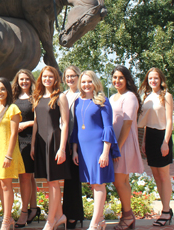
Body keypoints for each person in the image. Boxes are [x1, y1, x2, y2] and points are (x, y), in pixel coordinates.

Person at [71, 71, 120, 230]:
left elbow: (108, 128)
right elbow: (76, 128)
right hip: (83, 150)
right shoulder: (78, 101)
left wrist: (106, 152)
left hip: (98, 147)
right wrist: (75, 150)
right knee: (93, 184)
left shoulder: (102, 101)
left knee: (99, 184)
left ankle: (94, 223)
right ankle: (100, 221)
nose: (86, 85)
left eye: (89, 82)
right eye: (83, 82)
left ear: (95, 83)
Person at [31, 66, 70, 230]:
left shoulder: (60, 97)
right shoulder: (38, 97)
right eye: (45, 76)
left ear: (56, 80)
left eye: (50, 77)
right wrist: (33, 144)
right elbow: (36, 122)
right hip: (41, 142)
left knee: (53, 182)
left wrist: (62, 148)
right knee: (49, 182)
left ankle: (51, 220)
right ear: (41, 78)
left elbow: (66, 123)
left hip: (54, 141)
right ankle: (61, 216)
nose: (47, 79)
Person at [0, 77, 25, 230]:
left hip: (8, 152)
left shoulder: (13, 109)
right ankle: (9, 219)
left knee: (6, 185)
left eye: (2, 89)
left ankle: (6, 220)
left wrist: (8, 155)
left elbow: (14, 134)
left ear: (8, 90)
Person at [138, 67, 174, 227]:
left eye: (156, 78)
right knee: (156, 176)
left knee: (164, 176)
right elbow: (146, 122)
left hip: (162, 137)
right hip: (150, 136)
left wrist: (165, 142)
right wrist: (144, 141)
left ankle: (166, 211)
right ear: (147, 80)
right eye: (150, 78)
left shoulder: (166, 96)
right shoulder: (147, 97)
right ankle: (166, 209)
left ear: (161, 80)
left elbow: (169, 121)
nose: (153, 81)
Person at [110, 65, 144, 230]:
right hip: (115, 143)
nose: (117, 80)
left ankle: (128, 215)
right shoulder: (113, 97)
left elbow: (127, 124)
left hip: (124, 143)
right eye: (115, 77)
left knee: (120, 180)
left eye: (120, 77)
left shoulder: (129, 97)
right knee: (121, 181)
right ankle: (127, 215)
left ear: (127, 79)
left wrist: (117, 147)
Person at [11, 69, 39, 228]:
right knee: (29, 177)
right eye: (21, 79)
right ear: (17, 81)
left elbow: (41, 119)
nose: (24, 82)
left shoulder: (35, 97)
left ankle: (24, 212)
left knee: (25, 177)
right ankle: (33, 208)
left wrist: (26, 124)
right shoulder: (14, 98)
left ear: (31, 81)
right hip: (16, 141)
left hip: (30, 140)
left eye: (27, 79)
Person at [61, 65, 84, 229]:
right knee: (66, 180)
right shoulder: (63, 95)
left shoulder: (83, 96)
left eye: (73, 76)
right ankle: (67, 213)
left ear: (79, 77)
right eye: (67, 76)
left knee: (74, 180)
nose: (70, 79)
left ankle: (74, 215)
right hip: (64, 141)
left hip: (79, 142)